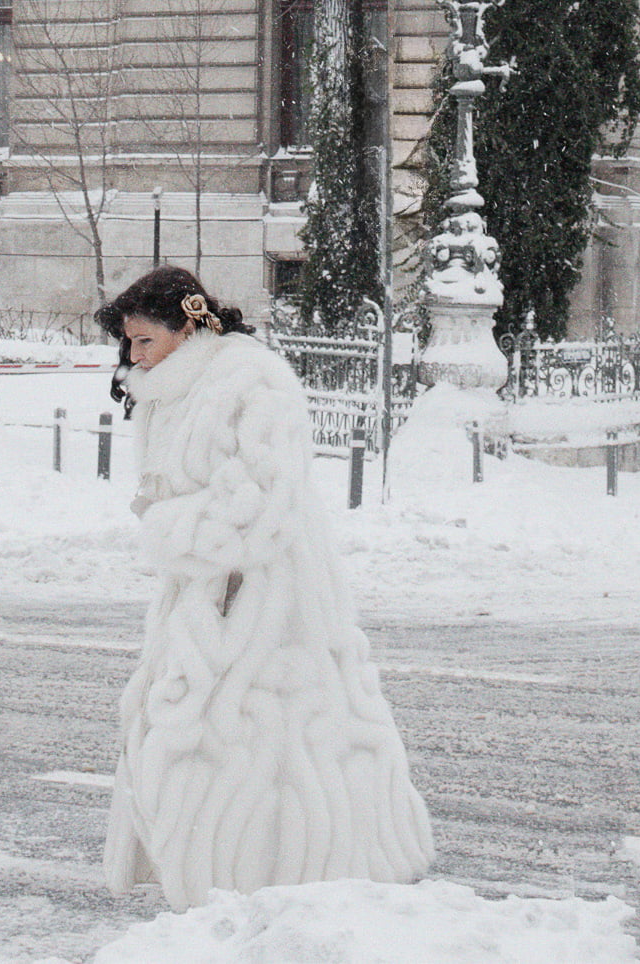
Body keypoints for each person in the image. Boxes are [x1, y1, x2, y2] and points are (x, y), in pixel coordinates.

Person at [95, 263, 434, 911]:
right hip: (203, 592)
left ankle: (284, 881)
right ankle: (231, 882)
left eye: (145, 340)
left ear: (189, 321)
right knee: (204, 741)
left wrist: (169, 527)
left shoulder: (250, 381)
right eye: (129, 343)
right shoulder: (169, 389)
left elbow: (263, 498)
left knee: (277, 747)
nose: (135, 354)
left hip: (269, 595)